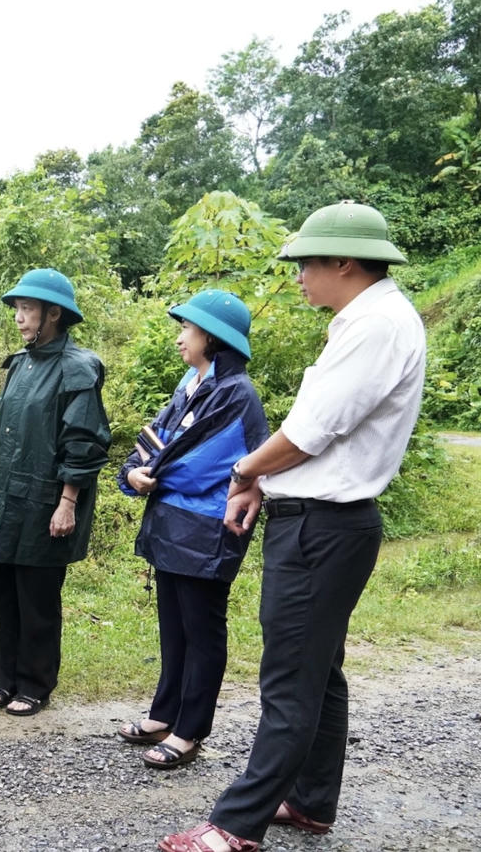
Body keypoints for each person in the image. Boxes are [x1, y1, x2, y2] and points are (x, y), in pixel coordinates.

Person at [160, 201, 426, 852]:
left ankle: (233, 824)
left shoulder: (376, 326)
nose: (299, 275)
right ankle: (309, 800)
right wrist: (263, 479)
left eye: (307, 263)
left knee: (288, 677)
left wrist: (246, 471)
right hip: (325, 521)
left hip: (322, 525)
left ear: (343, 260)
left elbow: (308, 432)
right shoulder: (367, 319)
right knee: (317, 669)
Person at [116, 290, 269, 769]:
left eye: (188, 329)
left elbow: (194, 463)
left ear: (213, 338)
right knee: (174, 627)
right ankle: (165, 714)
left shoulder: (235, 394)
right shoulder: (192, 382)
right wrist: (131, 471)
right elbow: (155, 437)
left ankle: (191, 730)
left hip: (207, 529)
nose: (181, 337)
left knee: (201, 631)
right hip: (172, 525)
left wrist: (149, 473)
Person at [0, 268, 111, 717]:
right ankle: (5, 679)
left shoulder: (77, 368)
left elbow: (84, 440)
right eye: (17, 309)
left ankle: (35, 684)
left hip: (48, 499)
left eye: (27, 309)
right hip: (8, 498)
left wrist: (68, 502)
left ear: (54, 313)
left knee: (37, 598)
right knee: (6, 593)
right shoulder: (20, 363)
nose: (19, 318)